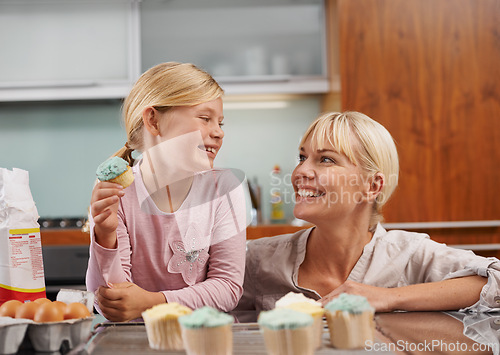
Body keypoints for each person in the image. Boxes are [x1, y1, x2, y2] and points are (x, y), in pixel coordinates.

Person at [236, 111, 500, 313]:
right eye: (302, 157)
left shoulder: (410, 255)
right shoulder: (259, 261)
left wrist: (387, 298)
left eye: (326, 159)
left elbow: (496, 280)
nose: (300, 172)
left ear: (372, 186)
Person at [86, 62, 248, 322]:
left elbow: (227, 288)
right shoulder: (119, 191)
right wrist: (105, 236)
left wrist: (154, 302)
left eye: (220, 122)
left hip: (202, 337)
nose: (219, 132)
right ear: (153, 120)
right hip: (134, 340)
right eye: (205, 119)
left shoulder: (223, 190)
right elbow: (110, 301)